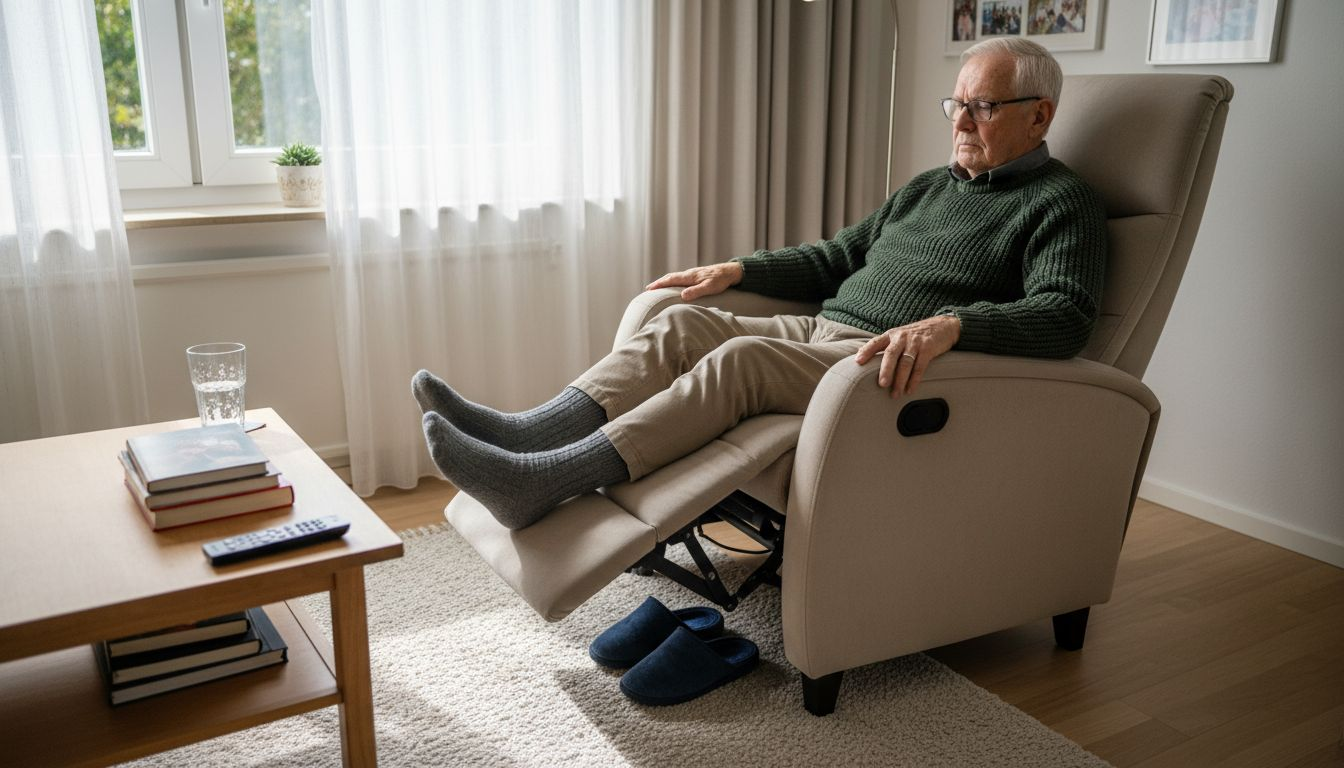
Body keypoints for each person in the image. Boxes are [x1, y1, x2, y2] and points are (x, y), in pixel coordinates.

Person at [415, 37, 1106, 530]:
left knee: (740, 362)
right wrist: (738, 270)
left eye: (981, 108)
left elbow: (1066, 313)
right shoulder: (930, 187)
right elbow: (839, 255)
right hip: (817, 331)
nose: (959, 122)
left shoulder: (1059, 201)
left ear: (1038, 115)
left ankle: (541, 482)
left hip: (876, 365)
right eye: (954, 103)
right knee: (681, 323)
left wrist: (954, 324)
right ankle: (526, 434)